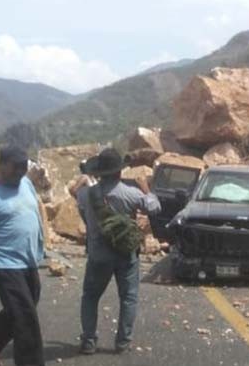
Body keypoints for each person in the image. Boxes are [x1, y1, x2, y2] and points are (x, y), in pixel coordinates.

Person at [70, 148, 160, 355]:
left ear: (99, 173)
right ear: (120, 172)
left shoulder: (86, 194)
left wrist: (83, 180)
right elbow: (155, 208)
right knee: (128, 297)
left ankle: (89, 341)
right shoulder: (131, 193)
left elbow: (75, 193)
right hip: (125, 254)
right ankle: (122, 342)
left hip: (98, 255)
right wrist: (146, 189)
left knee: (91, 296)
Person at [0, 146, 45, 366]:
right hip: (4, 263)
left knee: (22, 309)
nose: (20, 172)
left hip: (29, 259)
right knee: (26, 321)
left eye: (23, 167)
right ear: (1, 164)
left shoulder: (26, 183)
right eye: (15, 167)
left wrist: (44, 240)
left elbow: (36, 209)